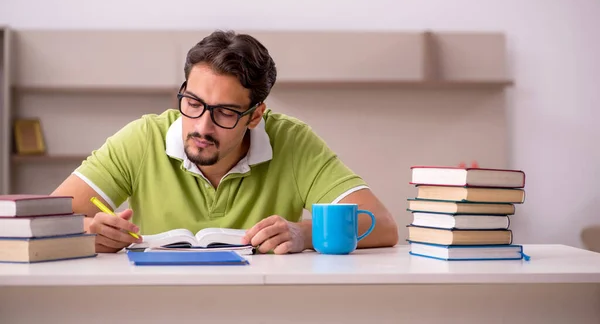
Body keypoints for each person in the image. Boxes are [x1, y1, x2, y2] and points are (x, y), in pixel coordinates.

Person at [51, 30, 399, 254]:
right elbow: (41, 219)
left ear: (255, 115)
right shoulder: (143, 139)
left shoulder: (293, 142)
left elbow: (382, 225)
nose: (202, 126)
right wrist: (87, 230)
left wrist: (304, 234)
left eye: (226, 112)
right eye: (193, 103)